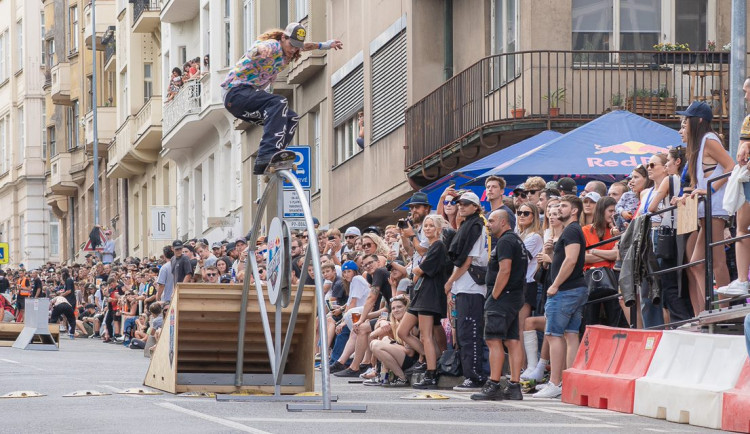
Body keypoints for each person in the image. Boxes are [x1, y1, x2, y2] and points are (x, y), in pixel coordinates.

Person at [221, 23, 342, 174]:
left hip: (244, 99)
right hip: (235, 93)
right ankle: (266, 155)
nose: (293, 50)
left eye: (296, 47)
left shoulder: (292, 49)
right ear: (283, 38)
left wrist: (326, 45)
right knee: (279, 102)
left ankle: (276, 159)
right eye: (291, 45)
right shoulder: (273, 46)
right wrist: (260, 49)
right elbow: (253, 50)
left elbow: (307, 46)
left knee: (291, 118)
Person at [678, 101, 735, 315]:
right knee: (695, 263)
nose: (684, 124)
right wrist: (687, 195)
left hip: (716, 208)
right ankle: (707, 309)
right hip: (707, 208)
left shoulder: (709, 140)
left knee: (718, 260)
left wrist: (710, 190)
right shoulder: (700, 144)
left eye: (686, 120)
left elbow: (731, 167)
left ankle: (723, 308)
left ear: (698, 120)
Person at [532, 195, 587, 399]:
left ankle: (555, 382)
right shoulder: (572, 230)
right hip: (574, 288)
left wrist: (555, 285)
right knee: (570, 334)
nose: (558, 209)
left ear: (573, 211)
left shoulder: (572, 230)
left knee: (553, 335)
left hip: (566, 290)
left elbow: (571, 260)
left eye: (563, 206)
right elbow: (565, 260)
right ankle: (567, 381)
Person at [471, 209, 527, 401]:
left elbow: (505, 269)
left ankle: (494, 384)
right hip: (514, 296)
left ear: (504, 222)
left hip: (503, 297)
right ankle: (514, 385)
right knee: (512, 341)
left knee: (493, 340)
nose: (488, 224)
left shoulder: (505, 241)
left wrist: (494, 295)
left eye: (492, 220)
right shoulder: (516, 240)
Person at [396, 214, 451, 389]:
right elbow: (417, 264)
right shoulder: (431, 247)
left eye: (431, 226)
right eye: (425, 226)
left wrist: (415, 271)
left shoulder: (439, 246)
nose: (427, 228)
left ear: (438, 229)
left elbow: (420, 270)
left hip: (430, 294)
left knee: (426, 335)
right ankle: (432, 358)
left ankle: (431, 372)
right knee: (403, 331)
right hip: (420, 293)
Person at [448, 192, 489, 392]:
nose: (461, 206)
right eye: (459, 203)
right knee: (463, 332)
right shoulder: (466, 225)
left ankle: (475, 376)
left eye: (466, 204)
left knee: (470, 332)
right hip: (464, 287)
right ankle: (471, 374)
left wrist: (449, 282)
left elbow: (467, 261)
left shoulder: (475, 227)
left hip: (472, 287)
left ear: (475, 207)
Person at [581, 196, 625, 328]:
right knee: (590, 321)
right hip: (591, 279)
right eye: (610, 211)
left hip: (612, 278)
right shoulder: (586, 230)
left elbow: (617, 255)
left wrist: (594, 252)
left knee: (615, 320)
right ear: (601, 211)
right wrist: (608, 255)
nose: (613, 215)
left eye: (615, 211)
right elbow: (583, 258)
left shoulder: (616, 232)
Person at [368, 294, 414, 387]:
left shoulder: (410, 323)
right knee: (383, 339)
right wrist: (381, 322)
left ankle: (402, 378)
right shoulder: (396, 323)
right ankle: (384, 377)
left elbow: (411, 352)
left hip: (411, 360)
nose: (396, 310)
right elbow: (372, 335)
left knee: (377, 345)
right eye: (393, 308)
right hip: (401, 356)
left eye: (399, 307)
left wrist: (389, 346)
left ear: (406, 308)